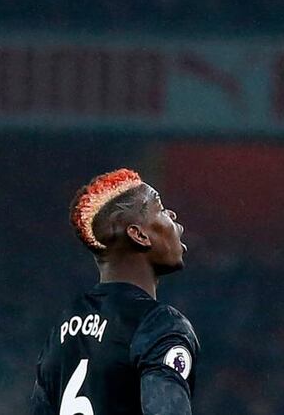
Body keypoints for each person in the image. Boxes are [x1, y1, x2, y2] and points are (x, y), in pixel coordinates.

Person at [31, 169, 199, 415]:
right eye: (161, 208)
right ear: (139, 235)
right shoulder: (159, 324)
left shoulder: (63, 328)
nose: (172, 215)